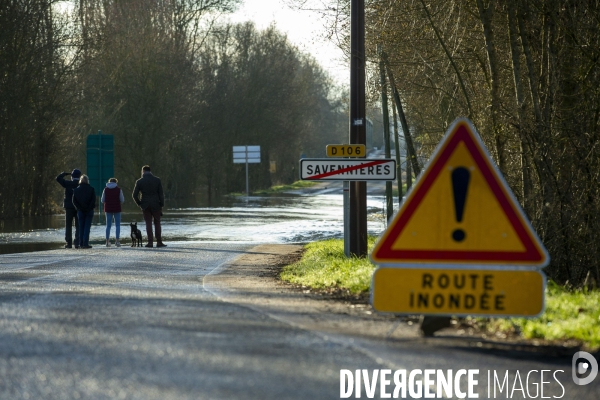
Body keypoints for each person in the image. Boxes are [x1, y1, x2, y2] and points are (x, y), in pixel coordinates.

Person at [132, 165, 166, 248]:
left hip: (145, 204)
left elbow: (134, 195)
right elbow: (161, 194)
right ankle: (159, 242)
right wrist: (162, 204)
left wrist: (139, 203)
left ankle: (150, 242)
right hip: (156, 204)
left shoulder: (139, 181)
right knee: (157, 222)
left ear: (143, 172)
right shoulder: (157, 180)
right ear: (150, 171)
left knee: (148, 223)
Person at [56, 169, 81, 248]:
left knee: (68, 225)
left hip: (69, 207)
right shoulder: (81, 184)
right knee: (78, 225)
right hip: (78, 207)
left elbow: (58, 178)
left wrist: (64, 173)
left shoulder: (68, 183)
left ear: (72, 176)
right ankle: (77, 242)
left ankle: (68, 243)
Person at [72, 174, 96, 249]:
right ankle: (86, 243)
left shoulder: (76, 190)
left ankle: (81, 243)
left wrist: (78, 208)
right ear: (87, 181)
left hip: (80, 211)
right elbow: (93, 200)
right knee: (87, 227)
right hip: (89, 211)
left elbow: (74, 201)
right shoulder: (91, 189)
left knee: (81, 227)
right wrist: (89, 208)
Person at [101, 178, 125, 247]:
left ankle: (107, 241)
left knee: (108, 226)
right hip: (117, 208)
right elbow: (122, 200)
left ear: (109, 182)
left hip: (108, 209)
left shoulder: (105, 189)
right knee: (117, 225)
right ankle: (117, 241)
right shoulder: (118, 189)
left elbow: (102, 200)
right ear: (116, 182)